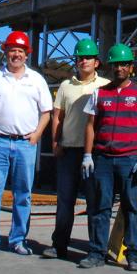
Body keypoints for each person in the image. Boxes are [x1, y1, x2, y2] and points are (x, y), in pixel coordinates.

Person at [80, 43, 137, 272]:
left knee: (131, 207)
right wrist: (87, 155)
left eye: (124, 64)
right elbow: (91, 126)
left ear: (131, 67)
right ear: (110, 67)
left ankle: (134, 255)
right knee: (100, 207)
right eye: (116, 64)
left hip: (128, 160)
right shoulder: (99, 93)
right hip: (102, 159)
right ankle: (96, 253)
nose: (120, 68)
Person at [0, 30, 52, 256]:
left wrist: (37, 135)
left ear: (26, 54)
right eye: (12, 50)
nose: (16, 54)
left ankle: (18, 240)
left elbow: (46, 112)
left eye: (20, 50)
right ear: (5, 52)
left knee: (23, 194)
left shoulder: (36, 80)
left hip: (25, 144)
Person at [42, 38, 109, 259]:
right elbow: (57, 117)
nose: (84, 61)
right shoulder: (65, 86)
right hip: (69, 150)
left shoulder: (105, 86)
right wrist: (55, 142)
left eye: (88, 58)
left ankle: (95, 248)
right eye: (80, 58)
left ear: (96, 62)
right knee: (65, 201)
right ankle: (59, 244)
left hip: (94, 153)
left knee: (94, 202)